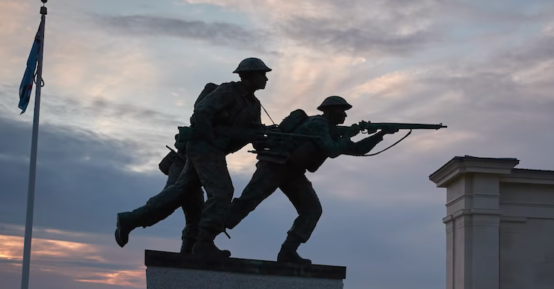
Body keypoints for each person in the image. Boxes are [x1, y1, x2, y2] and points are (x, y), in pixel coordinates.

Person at [114, 58, 271, 258]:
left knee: (179, 192)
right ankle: (204, 242)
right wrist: (213, 139)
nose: (266, 78)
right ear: (249, 76)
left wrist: (271, 137)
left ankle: (130, 219)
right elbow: (201, 112)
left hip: (211, 150)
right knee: (222, 191)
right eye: (262, 74)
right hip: (204, 147)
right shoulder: (228, 91)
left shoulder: (253, 104)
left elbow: (255, 137)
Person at [225, 96, 397, 264]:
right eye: (342, 111)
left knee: (312, 210)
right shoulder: (318, 124)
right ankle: (204, 237)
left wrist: (380, 134)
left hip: (293, 171)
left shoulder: (330, 131)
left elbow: (358, 149)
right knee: (247, 203)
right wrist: (348, 135)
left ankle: (288, 252)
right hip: (276, 165)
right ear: (331, 111)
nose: (345, 116)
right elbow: (332, 150)